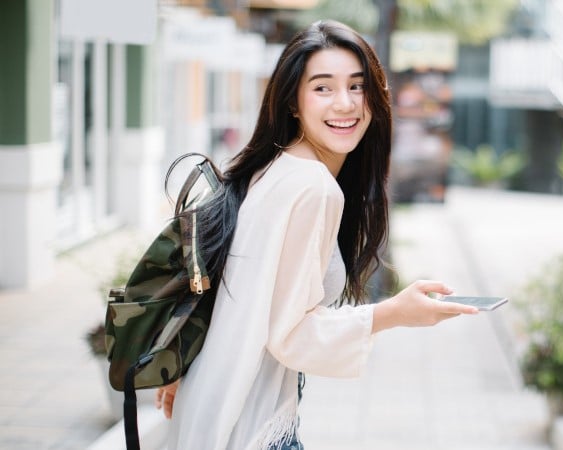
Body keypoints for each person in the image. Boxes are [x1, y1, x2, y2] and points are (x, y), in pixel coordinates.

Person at [156, 20, 478, 450]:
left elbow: (240, 292)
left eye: (357, 87)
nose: (344, 104)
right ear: (293, 101)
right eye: (323, 88)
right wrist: (394, 313)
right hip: (251, 422)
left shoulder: (272, 167)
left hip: (217, 403)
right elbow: (290, 334)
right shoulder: (313, 186)